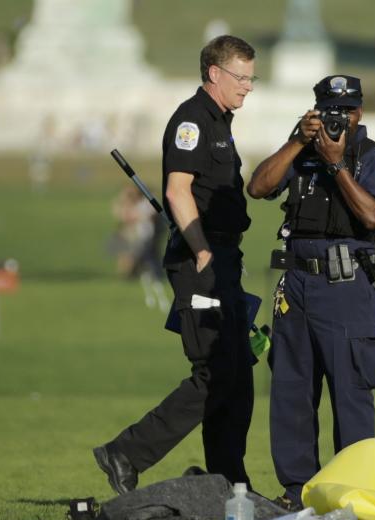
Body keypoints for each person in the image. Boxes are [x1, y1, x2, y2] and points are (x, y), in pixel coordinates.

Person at [92, 35, 258, 495]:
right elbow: (176, 191)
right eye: (241, 77)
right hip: (201, 259)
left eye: (251, 78)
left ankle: (231, 485)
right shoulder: (193, 120)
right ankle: (125, 452)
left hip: (224, 258)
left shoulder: (221, 122)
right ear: (214, 73)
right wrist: (204, 250)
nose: (248, 87)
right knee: (215, 373)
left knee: (237, 375)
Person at [247, 75, 375, 511]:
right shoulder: (301, 152)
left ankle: (353, 493)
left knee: (350, 391)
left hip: (346, 287)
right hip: (295, 285)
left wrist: (336, 165)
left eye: (346, 110)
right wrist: (297, 142)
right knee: (291, 391)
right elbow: (257, 187)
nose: (338, 118)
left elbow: (372, 216)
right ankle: (298, 491)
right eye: (328, 109)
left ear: (360, 112)